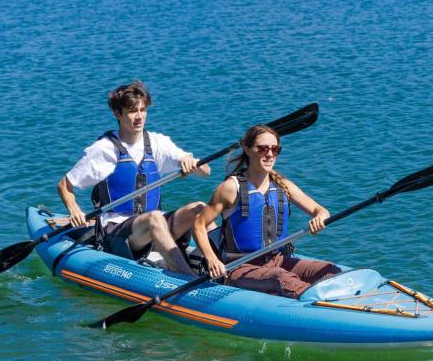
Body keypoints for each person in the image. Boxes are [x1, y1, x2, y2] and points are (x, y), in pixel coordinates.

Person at [58, 80, 211, 275]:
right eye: (132, 111)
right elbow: (64, 185)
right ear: (118, 114)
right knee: (155, 218)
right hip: (116, 231)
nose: (139, 116)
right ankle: (187, 277)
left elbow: (206, 171)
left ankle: (221, 264)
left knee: (200, 209)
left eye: (142, 110)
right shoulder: (104, 150)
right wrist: (74, 210)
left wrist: (193, 164)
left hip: (153, 228)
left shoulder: (157, 143)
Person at [191, 123, 342, 298]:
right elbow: (199, 225)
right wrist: (211, 259)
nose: (270, 154)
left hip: (278, 261)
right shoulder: (231, 188)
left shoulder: (282, 185)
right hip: (240, 268)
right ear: (248, 150)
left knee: (331, 271)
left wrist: (320, 217)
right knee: (281, 278)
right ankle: (318, 303)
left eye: (275, 149)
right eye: (262, 149)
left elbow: (320, 210)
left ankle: (339, 302)